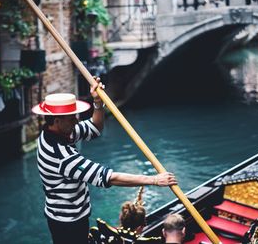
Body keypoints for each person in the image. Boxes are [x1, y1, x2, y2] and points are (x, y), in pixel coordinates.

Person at [32, 77, 178, 244]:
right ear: (57, 121)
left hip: (67, 215)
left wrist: (98, 102)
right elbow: (108, 177)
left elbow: (95, 127)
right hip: (68, 222)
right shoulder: (62, 156)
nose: (76, 121)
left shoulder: (56, 133)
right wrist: (154, 180)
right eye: (72, 118)